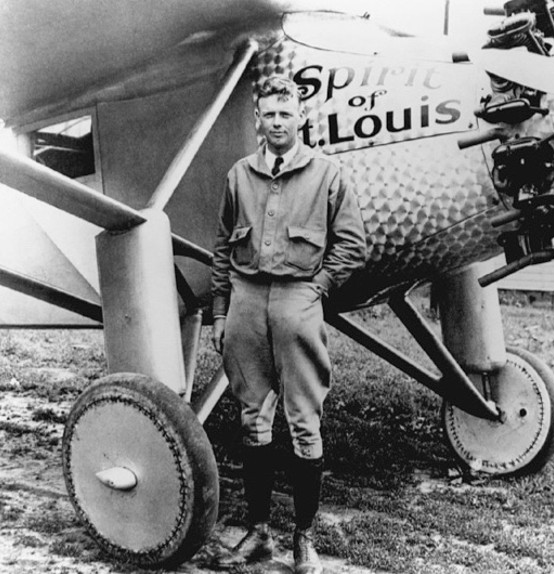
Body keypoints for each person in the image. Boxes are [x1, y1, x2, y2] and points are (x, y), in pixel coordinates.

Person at [210, 75, 367, 573]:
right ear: (258, 119)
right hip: (245, 303)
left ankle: (303, 538)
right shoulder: (239, 175)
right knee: (253, 418)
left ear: (301, 118)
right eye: (269, 115)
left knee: (304, 421)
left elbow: (353, 245)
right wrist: (219, 312)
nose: (277, 123)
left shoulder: (327, 175)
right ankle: (258, 533)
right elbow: (220, 251)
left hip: (299, 301)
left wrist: (318, 287)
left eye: (285, 114)